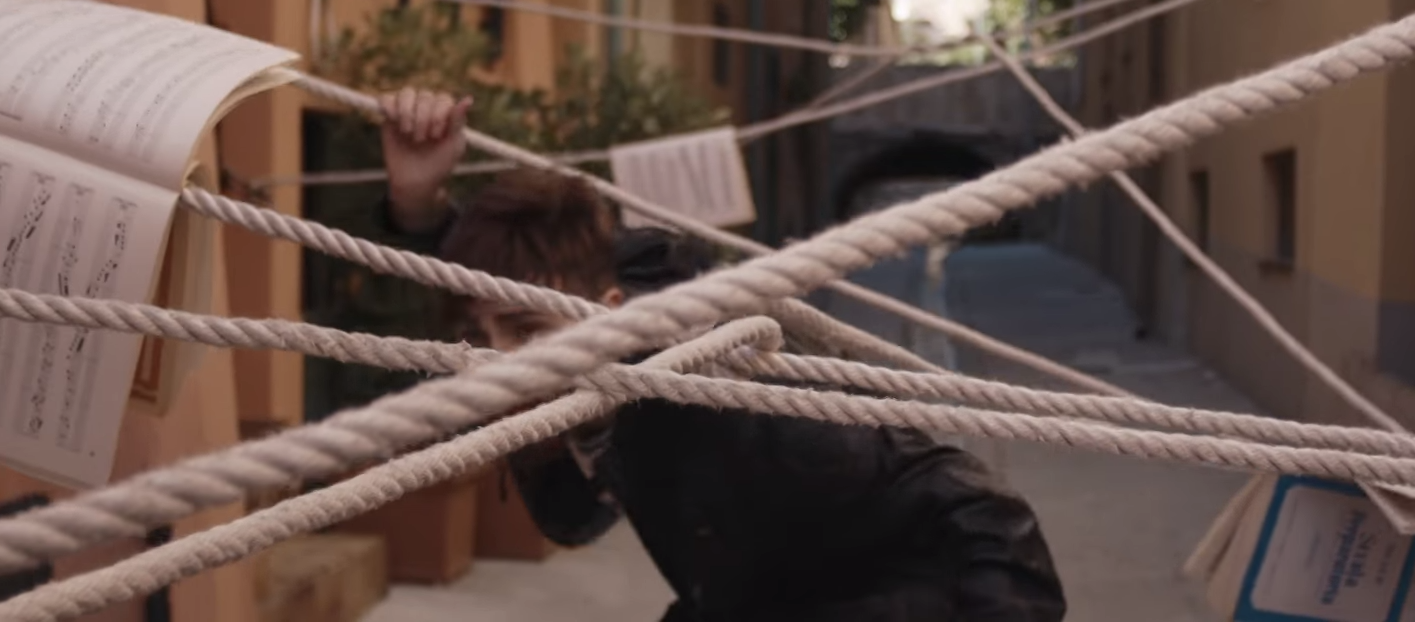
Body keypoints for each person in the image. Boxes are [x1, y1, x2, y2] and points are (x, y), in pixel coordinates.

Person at [376, 87, 1067, 622]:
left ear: (610, 313)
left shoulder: (737, 396)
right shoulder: (578, 370)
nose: (500, 360)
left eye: (524, 332)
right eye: (483, 337)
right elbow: (569, 516)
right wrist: (418, 205)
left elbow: (993, 524)